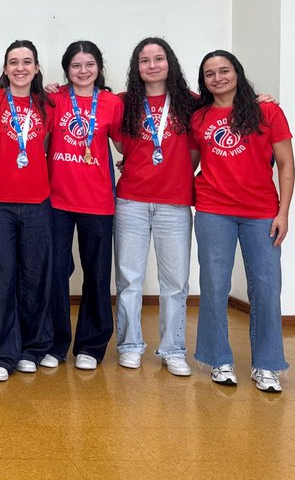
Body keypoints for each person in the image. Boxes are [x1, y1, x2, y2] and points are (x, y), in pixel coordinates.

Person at [190, 50, 294, 392]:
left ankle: (267, 365)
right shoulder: (199, 117)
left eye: (224, 70)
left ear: (237, 73)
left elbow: (286, 164)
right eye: (210, 74)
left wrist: (283, 212)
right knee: (214, 286)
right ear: (204, 81)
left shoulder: (267, 111)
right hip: (213, 210)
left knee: (266, 288)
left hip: (261, 212)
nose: (218, 78)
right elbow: (188, 163)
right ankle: (219, 359)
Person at [0, 40, 56, 382]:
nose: (20, 68)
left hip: (37, 203)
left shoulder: (48, 104)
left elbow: (46, 147)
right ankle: (3, 353)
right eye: (14, 62)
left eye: (27, 62)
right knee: (1, 279)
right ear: (4, 69)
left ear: (36, 68)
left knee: (34, 278)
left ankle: (31, 349)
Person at [114, 37, 199, 376]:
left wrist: (261, 99)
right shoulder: (124, 103)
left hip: (174, 203)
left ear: (170, 63)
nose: (152, 65)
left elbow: (226, 108)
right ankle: (130, 345)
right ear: (136, 67)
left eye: (158, 58)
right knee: (129, 279)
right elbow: (118, 142)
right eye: (144, 60)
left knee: (175, 283)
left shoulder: (190, 102)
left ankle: (173, 349)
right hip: (131, 200)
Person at [46, 41, 124, 370]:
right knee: (55, 272)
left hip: (98, 201)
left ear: (99, 67)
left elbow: (125, 144)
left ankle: (91, 346)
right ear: (67, 69)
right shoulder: (54, 99)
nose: (83, 71)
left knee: (96, 274)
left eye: (89, 64)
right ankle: (54, 343)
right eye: (76, 65)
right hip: (56, 200)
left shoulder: (112, 103)